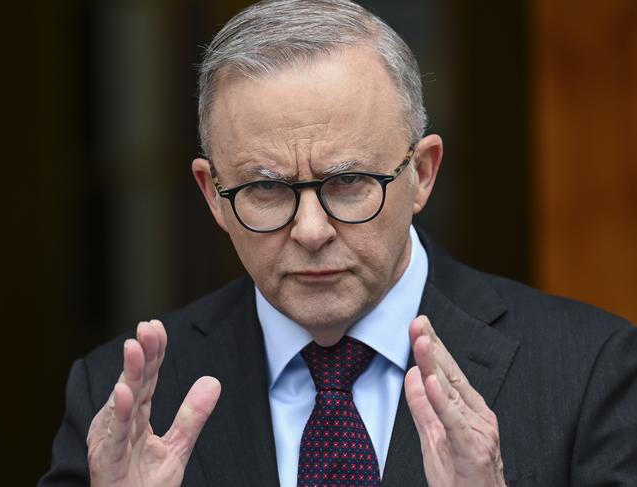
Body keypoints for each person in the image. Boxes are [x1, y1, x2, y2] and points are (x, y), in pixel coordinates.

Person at [39, 1, 637, 486]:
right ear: (213, 195)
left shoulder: (590, 373)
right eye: (267, 189)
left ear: (421, 174)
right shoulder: (115, 402)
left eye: (348, 182)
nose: (311, 231)